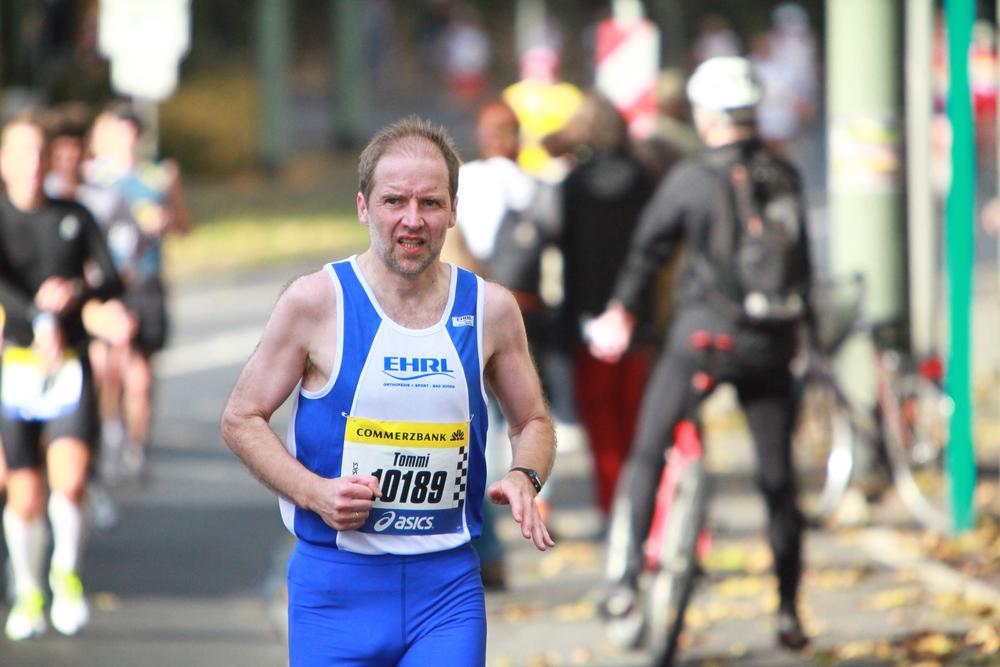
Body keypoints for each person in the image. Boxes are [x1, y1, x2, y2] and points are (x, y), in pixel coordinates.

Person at [220, 115, 556, 666]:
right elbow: (241, 417)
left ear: (453, 210)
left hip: (446, 591)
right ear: (363, 207)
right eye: (394, 201)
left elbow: (532, 422)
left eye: (430, 203)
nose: (412, 220)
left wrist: (525, 475)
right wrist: (314, 492)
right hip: (335, 593)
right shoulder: (316, 302)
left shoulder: (490, 308)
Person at [586, 57, 812, 650]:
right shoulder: (784, 174)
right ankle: (788, 610)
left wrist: (621, 311)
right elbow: (804, 268)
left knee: (648, 450)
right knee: (777, 478)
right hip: (768, 344)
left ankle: (623, 579)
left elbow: (647, 251)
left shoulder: (690, 178)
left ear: (707, 117)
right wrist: (806, 342)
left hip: (702, 338)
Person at [0, 109, 128, 640]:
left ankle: (66, 575)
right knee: (25, 494)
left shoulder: (74, 214)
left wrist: (76, 292)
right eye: (22, 152)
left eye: (41, 153)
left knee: (70, 482)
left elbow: (112, 279)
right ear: (4, 160)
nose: (33, 164)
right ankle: (28, 589)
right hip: (16, 367)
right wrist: (37, 314)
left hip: (69, 367)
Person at [541, 92, 657, 517]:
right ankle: (644, 509)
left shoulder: (575, 183)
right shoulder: (644, 179)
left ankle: (614, 509)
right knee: (637, 419)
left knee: (600, 421)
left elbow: (561, 243)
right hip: (637, 314)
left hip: (585, 317)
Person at [84, 101, 191, 481]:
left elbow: (183, 225)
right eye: (120, 127)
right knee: (103, 365)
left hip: (146, 283)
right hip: (105, 283)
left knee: (140, 374)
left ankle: (137, 444)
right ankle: (107, 429)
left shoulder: (158, 175)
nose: (127, 135)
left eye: (133, 128)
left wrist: (167, 216)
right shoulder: (93, 176)